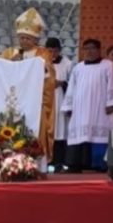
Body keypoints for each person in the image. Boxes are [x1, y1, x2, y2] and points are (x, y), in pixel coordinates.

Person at [0, 8, 56, 162]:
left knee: (35, 130)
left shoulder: (43, 53)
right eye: (21, 37)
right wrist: (11, 64)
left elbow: (48, 74)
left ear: (35, 40)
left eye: (27, 38)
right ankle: (11, 162)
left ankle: (36, 164)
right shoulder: (10, 52)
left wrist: (39, 67)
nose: (23, 41)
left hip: (35, 101)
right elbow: (0, 71)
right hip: (15, 100)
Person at [61, 38, 113, 172]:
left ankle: (99, 165)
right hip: (80, 108)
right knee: (79, 133)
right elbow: (71, 87)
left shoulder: (108, 65)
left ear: (99, 50)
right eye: (86, 48)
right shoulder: (78, 67)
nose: (89, 51)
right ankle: (75, 165)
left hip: (101, 108)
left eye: (92, 48)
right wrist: (69, 106)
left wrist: (112, 103)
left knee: (99, 134)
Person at [46, 37, 73, 170]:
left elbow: (73, 84)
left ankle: (59, 162)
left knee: (60, 130)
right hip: (46, 101)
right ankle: (46, 160)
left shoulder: (67, 64)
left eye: (55, 51)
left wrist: (62, 83)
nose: (52, 54)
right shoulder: (41, 63)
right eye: (49, 51)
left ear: (59, 50)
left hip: (61, 99)